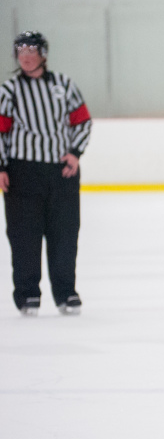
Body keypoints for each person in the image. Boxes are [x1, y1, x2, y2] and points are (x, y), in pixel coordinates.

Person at [0, 31, 91, 316]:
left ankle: (66, 292)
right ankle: (28, 295)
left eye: (31, 51)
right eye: (21, 51)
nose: (25, 57)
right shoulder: (9, 90)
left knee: (64, 234)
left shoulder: (64, 85)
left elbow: (82, 120)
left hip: (61, 172)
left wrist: (75, 153)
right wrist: (1, 166)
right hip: (22, 172)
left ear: (43, 54)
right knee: (24, 236)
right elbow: (0, 131)